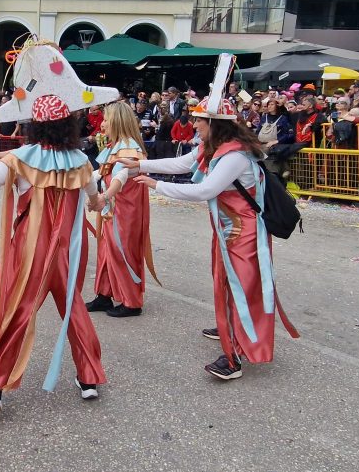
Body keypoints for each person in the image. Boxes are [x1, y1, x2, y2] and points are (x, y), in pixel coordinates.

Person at [0, 41, 119, 411]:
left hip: (33, 249)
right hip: (68, 251)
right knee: (72, 307)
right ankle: (89, 376)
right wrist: (102, 202)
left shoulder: (21, 158)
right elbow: (94, 198)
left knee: (18, 308)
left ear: (34, 127)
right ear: (69, 125)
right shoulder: (81, 161)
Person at [119, 60, 299, 381]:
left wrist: (155, 185)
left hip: (245, 234)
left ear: (215, 123)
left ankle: (236, 356)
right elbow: (182, 163)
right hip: (228, 232)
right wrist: (140, 166)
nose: (195, 124)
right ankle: (230, 327)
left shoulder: (233, 156)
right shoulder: (210, 148)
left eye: (200, 120)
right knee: (226, 282)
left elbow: (205, 190)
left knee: (246, 289)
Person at [85, 102, 158, 318]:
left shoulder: (129, 149)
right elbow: (100, 173)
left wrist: (103, 196)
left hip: (125, 211)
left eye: (106, 119)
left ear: (117, 121)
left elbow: (120, 177)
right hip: (112, 209)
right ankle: (104, 294)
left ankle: (132, 301)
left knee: (122, 251)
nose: (103, 124)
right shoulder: (114, 147)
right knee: (107, 250)